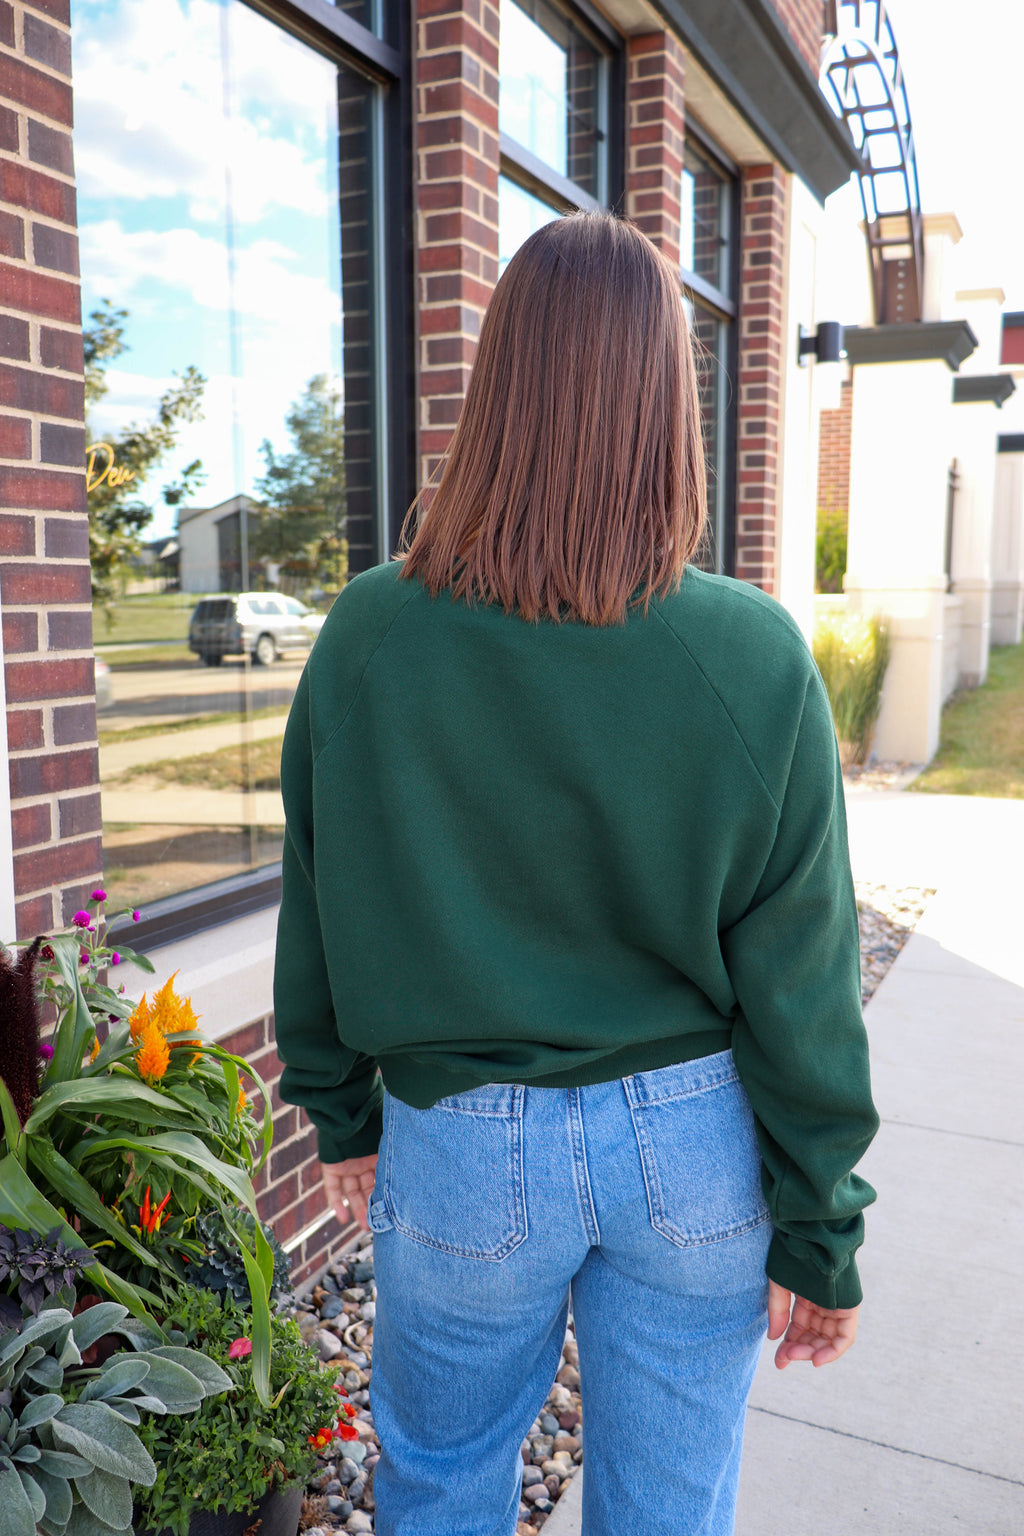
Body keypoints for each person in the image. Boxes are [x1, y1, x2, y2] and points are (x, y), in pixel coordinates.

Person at [273, 210, 879, 1536]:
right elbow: (803, 976)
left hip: (463, 1146)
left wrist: (338, 1111)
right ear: (668, 400)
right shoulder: (752, 656)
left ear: (500, 389)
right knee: (668, 1510)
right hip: (693, 1150)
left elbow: (316, 895)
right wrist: (819, 1222)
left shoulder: (372, 635)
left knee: (437, 1484)